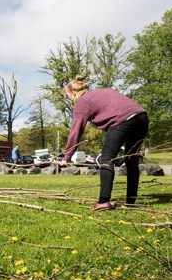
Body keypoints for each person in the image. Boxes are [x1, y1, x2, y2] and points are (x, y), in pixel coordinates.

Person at [58, 75, 149, 211]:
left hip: (122, 120)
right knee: (131, 159)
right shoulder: (103, 92)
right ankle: (131, 200)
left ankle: (103, 201)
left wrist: (66, 156)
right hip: (142, 117)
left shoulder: (82, 101)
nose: (70, 99)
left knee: (106, 158)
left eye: (68, 96)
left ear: (74, 93)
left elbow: (76, 130)